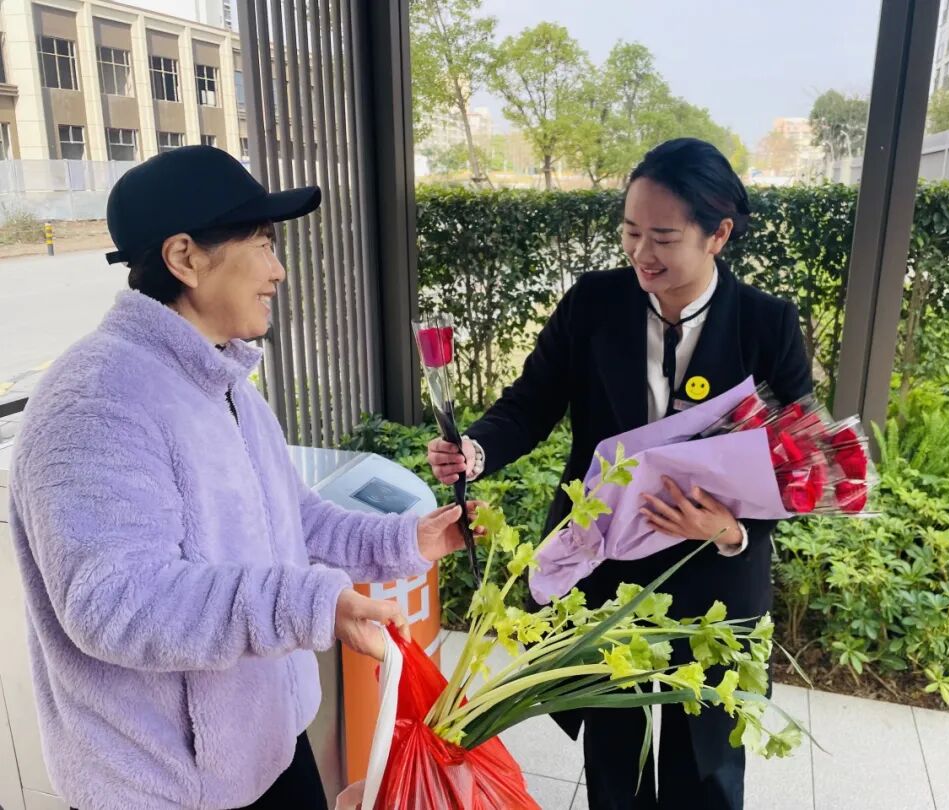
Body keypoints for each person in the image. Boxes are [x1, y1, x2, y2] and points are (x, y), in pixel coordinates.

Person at [9, 145, 475, 810]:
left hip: (268, 749)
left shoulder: (222, 379)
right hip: (166, 788)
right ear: (184, 257)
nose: (278, 270)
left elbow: (294, 519)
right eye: (261, 243)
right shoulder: (95, 400)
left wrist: (409, 540)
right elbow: (116, 602)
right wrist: (309, 604)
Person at [427, 138, 812, 809]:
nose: (641, 253)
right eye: (631, 231)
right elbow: (531, 403)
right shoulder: (594, 304)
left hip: (715, 580)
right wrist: (477, 450)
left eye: (663, 237)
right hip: (602, 570)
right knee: (613, 765)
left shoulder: (766, 324)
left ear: (718, 234)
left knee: (706, 770)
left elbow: (800, 468)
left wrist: (730, 531)